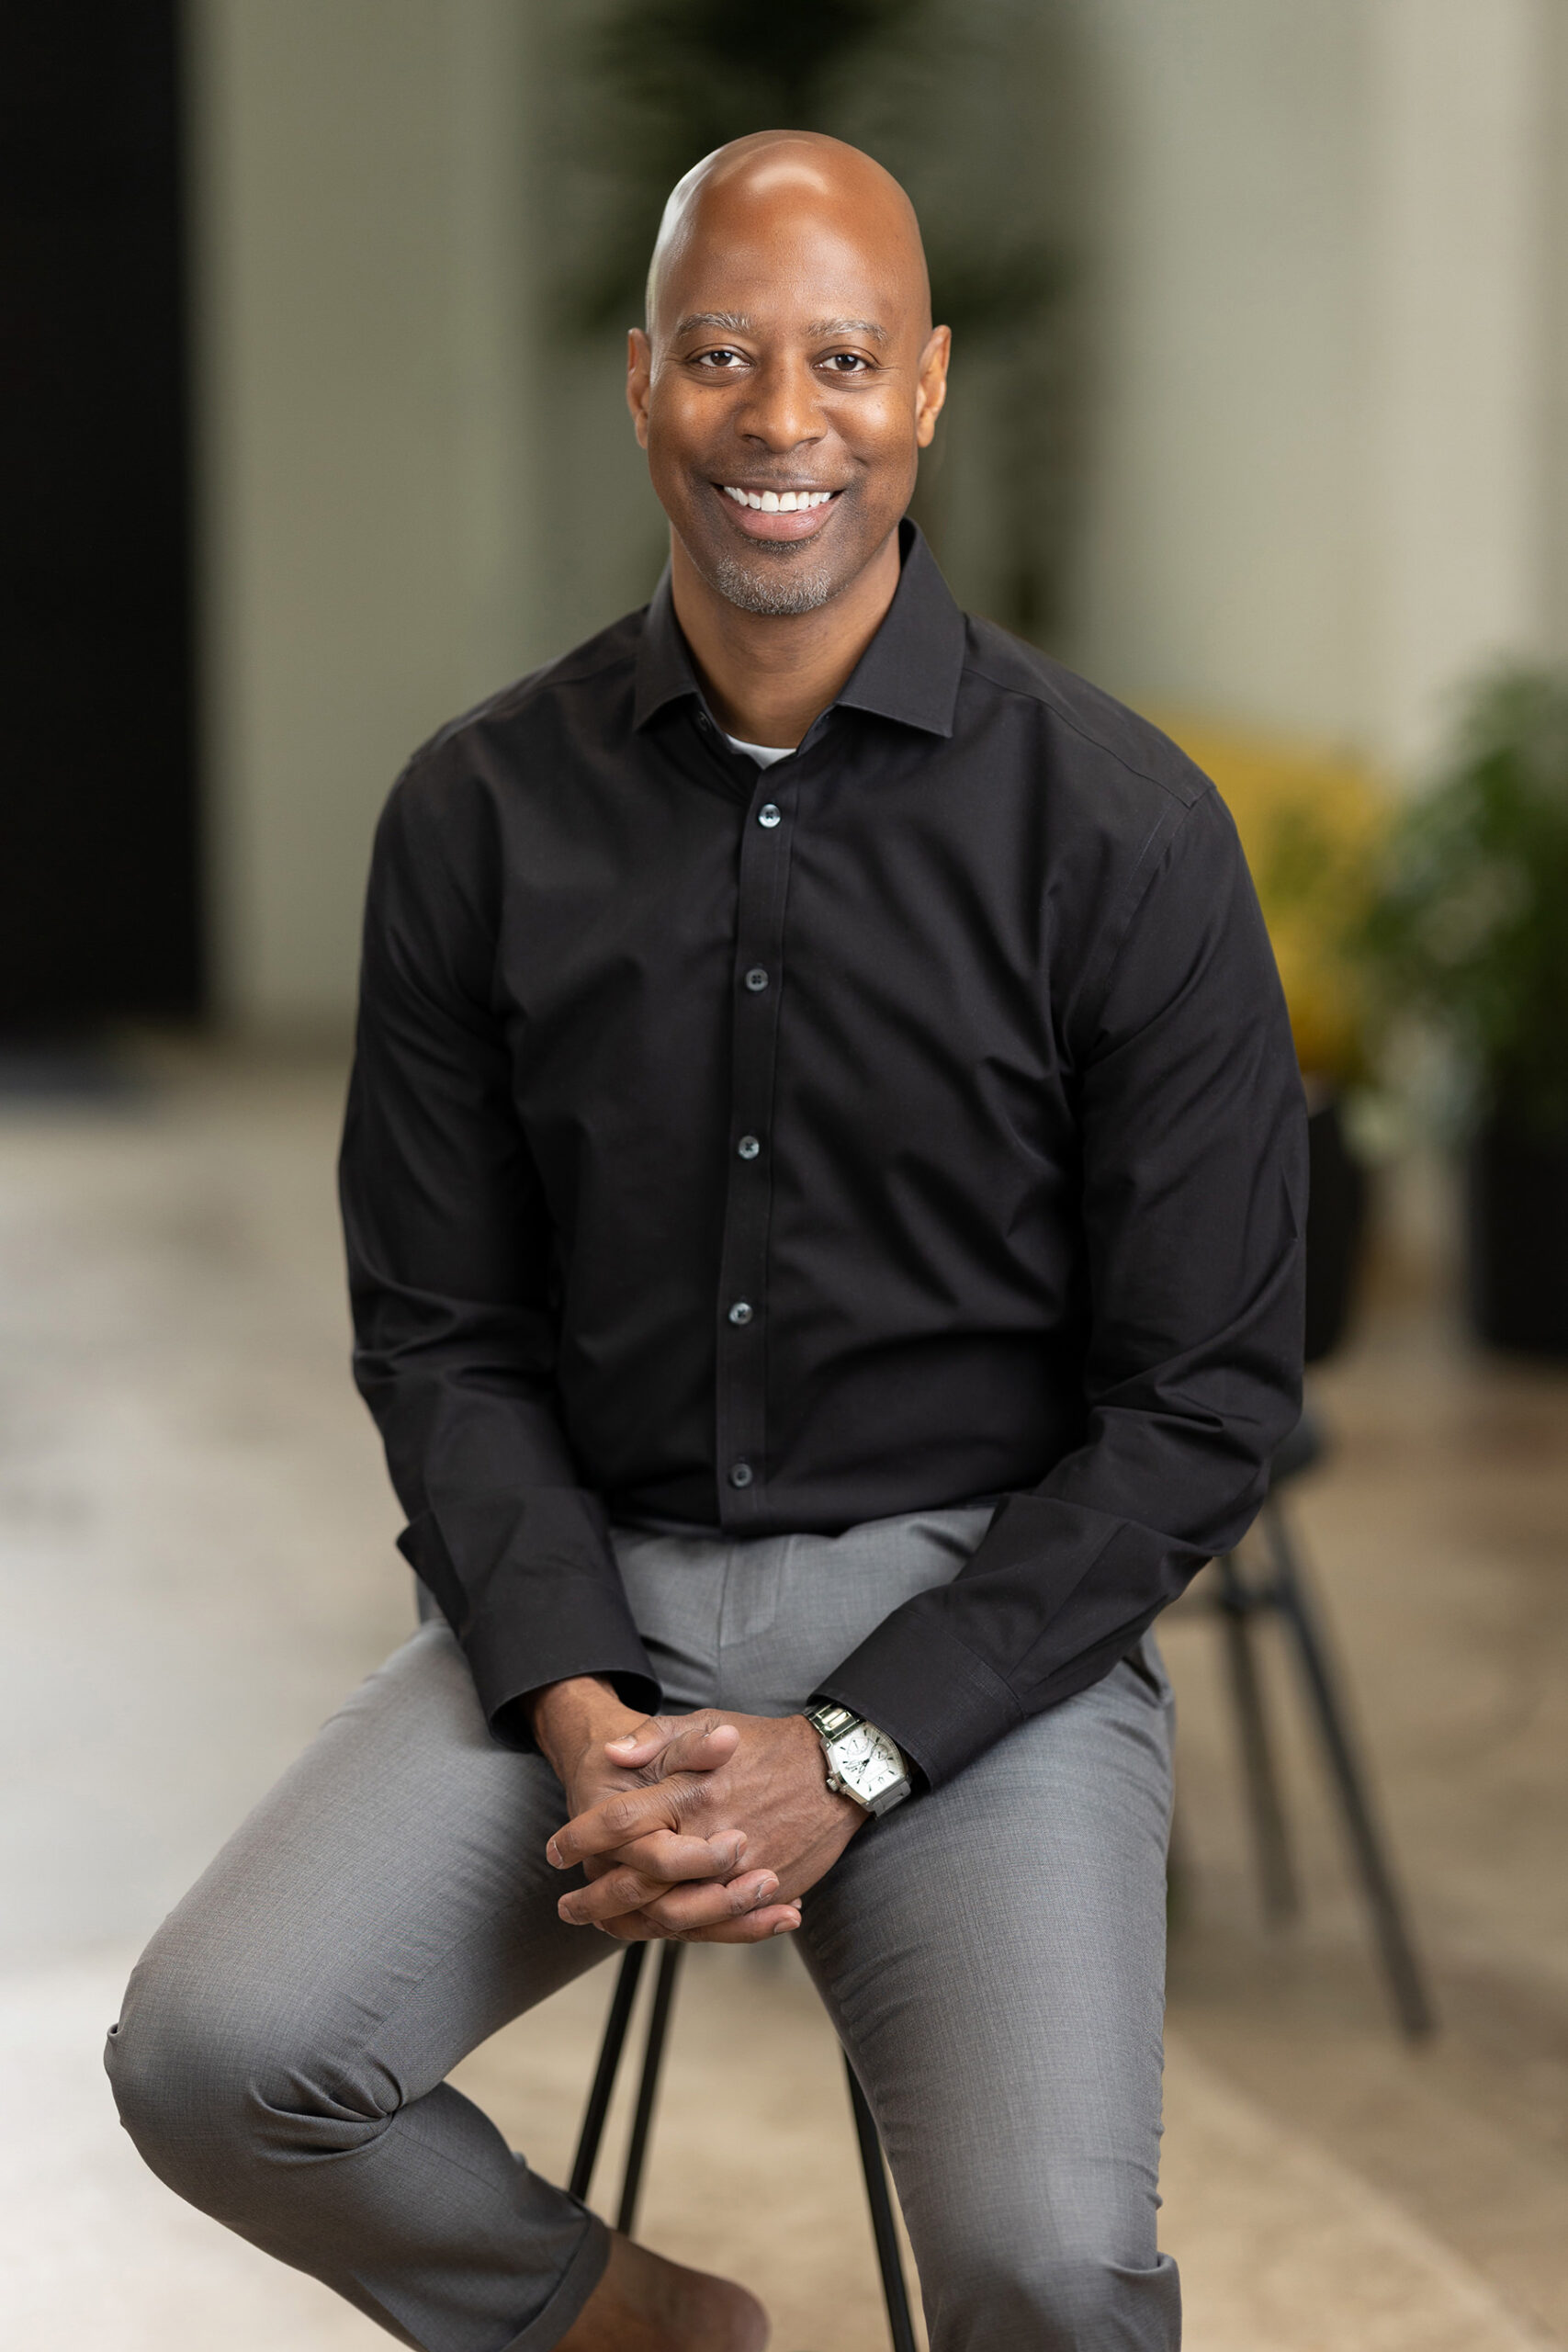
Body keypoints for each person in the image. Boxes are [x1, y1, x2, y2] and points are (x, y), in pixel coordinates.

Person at [107, 131, 1304, 2352]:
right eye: (725, 357)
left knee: (1048, 2268)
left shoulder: (1119, 830)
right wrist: (572, 1700)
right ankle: (631, 2328)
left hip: (978, 1623)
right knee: (210, 2056)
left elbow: (1200, 1401)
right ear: (641, 382)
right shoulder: (477, 813)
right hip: (607, 1598)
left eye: (841, 358)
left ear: (923, 386)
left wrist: (848, 1748)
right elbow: (445, 1335)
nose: (784, 423)